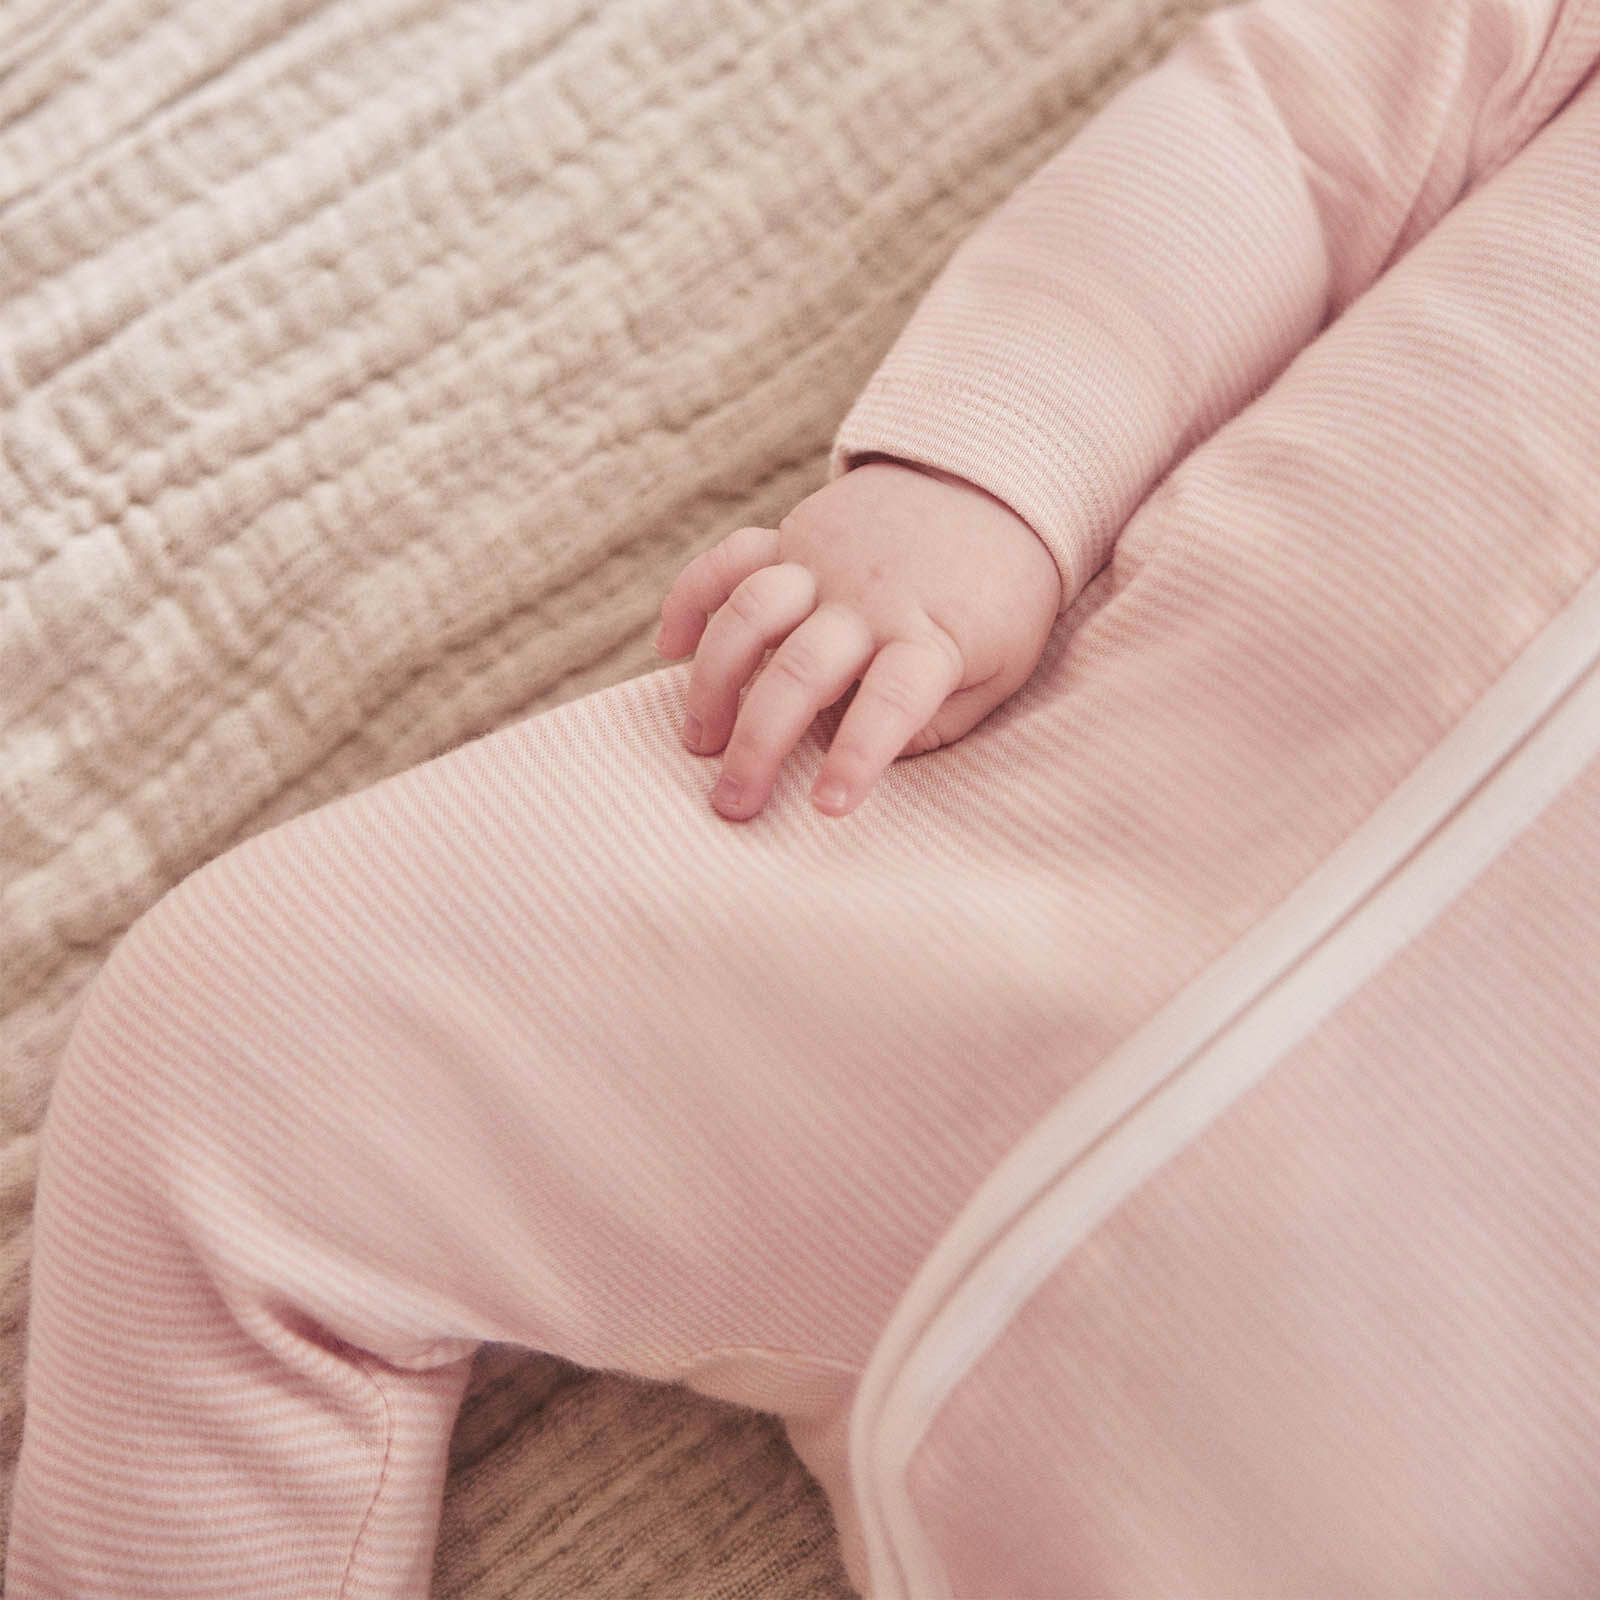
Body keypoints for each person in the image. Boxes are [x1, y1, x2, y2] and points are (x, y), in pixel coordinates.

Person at [10, 0, 1600, 1593]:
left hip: (1463, 1432)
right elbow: (1297, 127)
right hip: (952, 853)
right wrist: (983, 471)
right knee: (247, 1044)